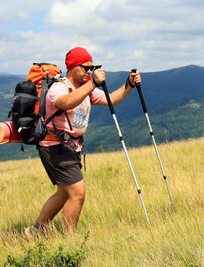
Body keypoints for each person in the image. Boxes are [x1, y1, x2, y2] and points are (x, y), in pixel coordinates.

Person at [25, 46, 141, 235]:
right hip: (54, 147)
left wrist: (129, 84)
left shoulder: (85, 88)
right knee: (77, 193)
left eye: (91, 68)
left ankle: (36, 230)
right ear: (72, 68)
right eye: (85, 68)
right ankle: (69, 240)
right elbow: (66, 102)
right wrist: (92, 83)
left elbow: (111, 99)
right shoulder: (59, 87)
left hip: (69, 147)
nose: (89, 71)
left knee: (64, 194)